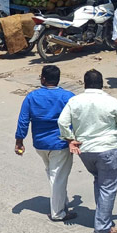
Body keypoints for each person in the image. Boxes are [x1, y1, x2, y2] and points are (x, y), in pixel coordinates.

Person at [57, 69, 117, 233]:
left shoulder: (75, 101)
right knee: (108, 186)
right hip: (107, 151)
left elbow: (62, 122)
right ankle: (103, 226)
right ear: (102, 83)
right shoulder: (110, 101)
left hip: (86, 151)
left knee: (100, 181)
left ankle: (101, 216)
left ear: (85, 84)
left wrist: (69, 138)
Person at [15, 65, 76, 221]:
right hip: (60, 144)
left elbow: (23, 120)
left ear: (43, 79)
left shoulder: (32, 97)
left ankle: (62, 201)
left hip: (40, 144)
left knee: (53, 173)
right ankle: (58, 213)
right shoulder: (68, 96)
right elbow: (77, 120)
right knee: (58, 177)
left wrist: (19, 141)